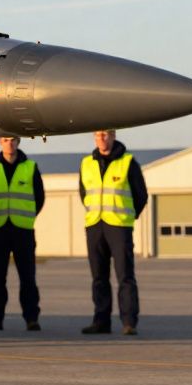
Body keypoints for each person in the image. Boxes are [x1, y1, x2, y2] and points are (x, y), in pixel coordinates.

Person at [79, 129, 147, 336]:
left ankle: (128, 322)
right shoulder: (86, 163)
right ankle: (101, 321)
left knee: (125, 275)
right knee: (98, 277)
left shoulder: (128, 162)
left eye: (106, 135)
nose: (102, 138)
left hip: (119, 226)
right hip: (95, 225)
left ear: (113, 136)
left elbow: (140, 195)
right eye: (98, 135)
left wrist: (127, 217)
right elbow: (84, 193)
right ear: (94, 137)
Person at [0, 136, 45, 331]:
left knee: (28, 278)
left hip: (23, 230)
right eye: (6, 140)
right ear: (0, 142)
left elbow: (39, 197)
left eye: (13, 140)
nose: (10, 143)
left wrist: (28, 216)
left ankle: (32, 318)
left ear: (18, 142)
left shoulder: (30, 167)